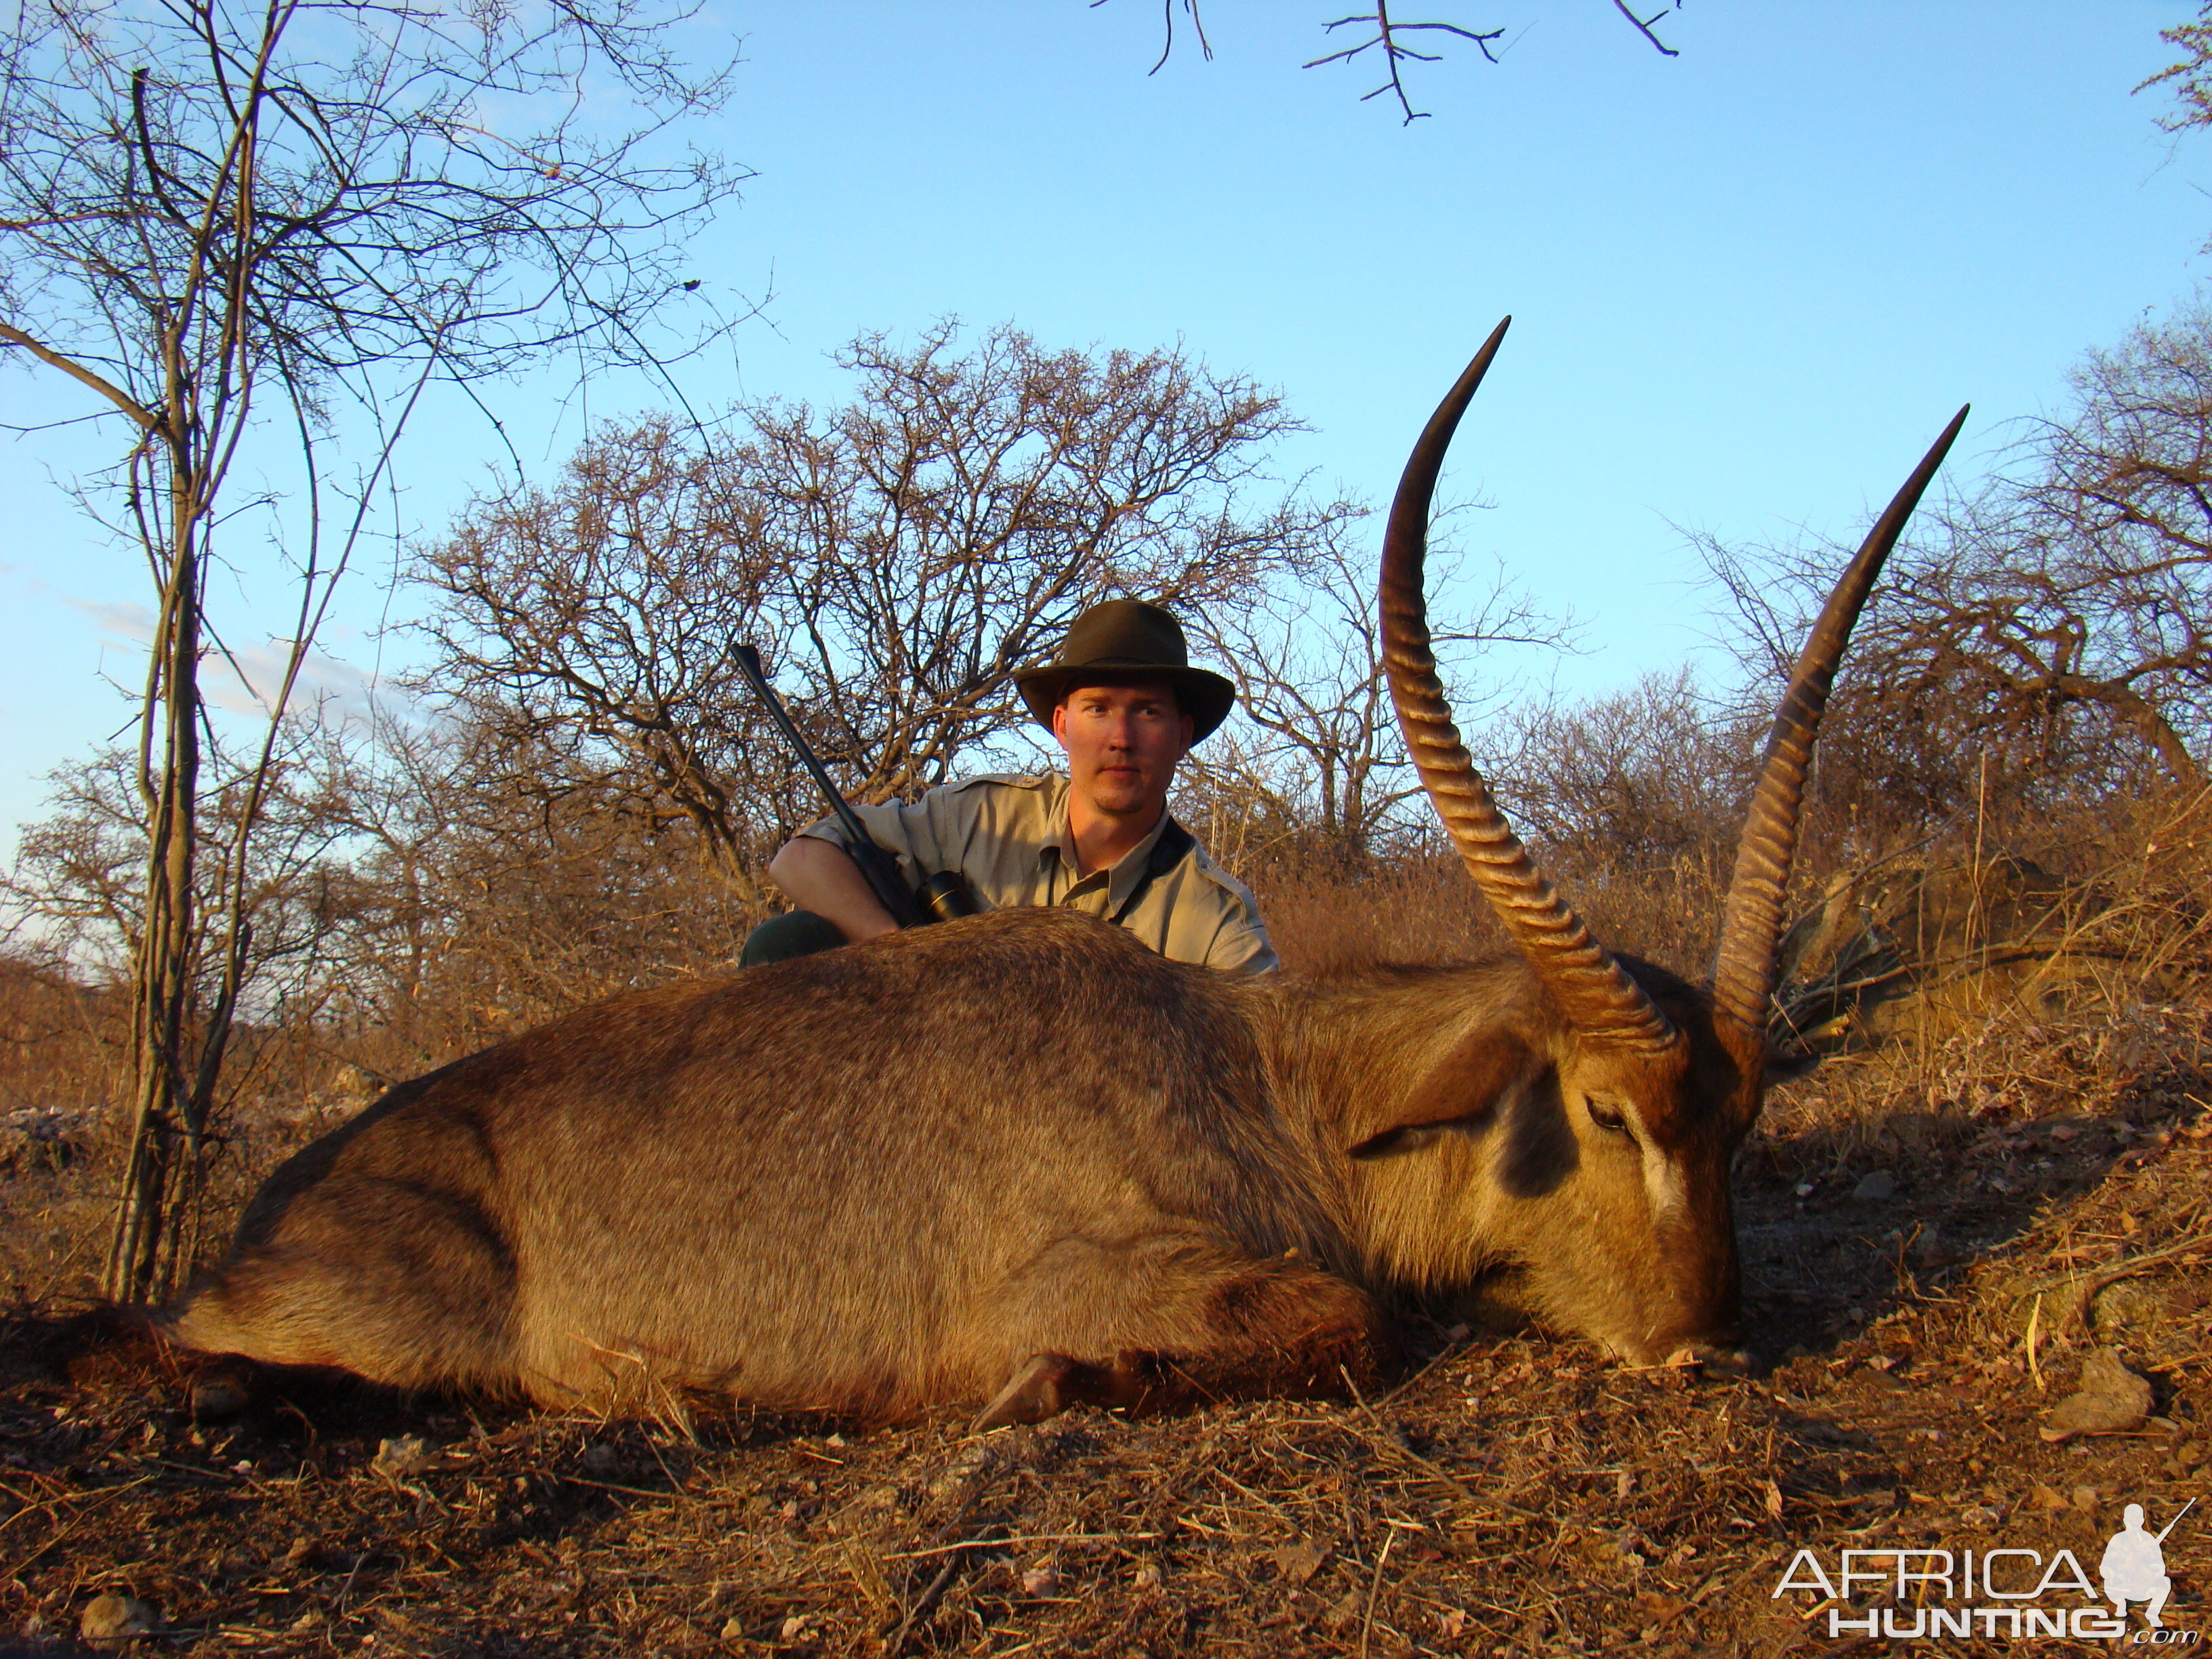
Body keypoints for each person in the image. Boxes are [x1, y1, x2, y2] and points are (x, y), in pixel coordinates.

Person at [747, 598, 1277, 975]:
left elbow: (1271, 1059)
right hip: (922, 1087)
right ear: (1063, 724)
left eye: (1147, 711)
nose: (1121, 738)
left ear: (1183, 734)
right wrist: (900, 955)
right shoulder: (981, 815)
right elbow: (799, 859)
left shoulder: (1217, 920)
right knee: (788, 945)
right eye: (1098, 709)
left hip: (1093, 1125)